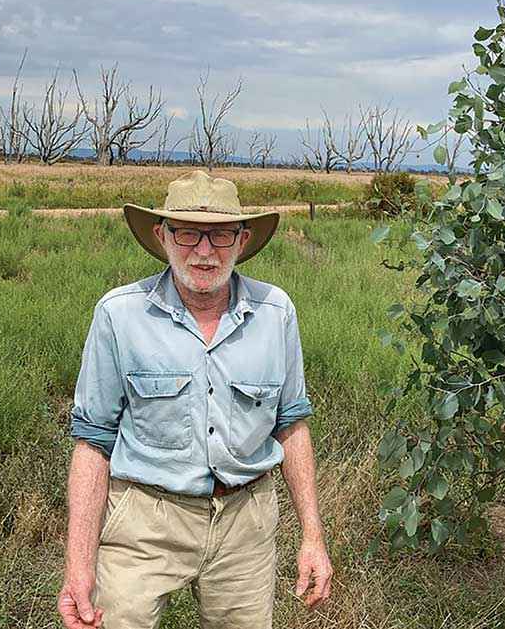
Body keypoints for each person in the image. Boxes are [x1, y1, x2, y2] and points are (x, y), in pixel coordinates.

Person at [57, 170, 332, 629]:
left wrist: (313, 537)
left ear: (242, 241)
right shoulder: (119, 314)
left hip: (246, 523)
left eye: (220, 235)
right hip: (144, 521)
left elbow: (292, 423)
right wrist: (79, 567)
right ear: (161, 236)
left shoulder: (276, 313)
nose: (204, 251)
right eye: (187, 233)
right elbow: (92, 442)